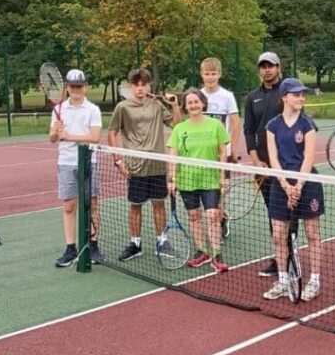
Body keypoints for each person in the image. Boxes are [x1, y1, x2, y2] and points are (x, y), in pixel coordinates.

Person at [108, 68, 182, 262]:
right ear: (131, 86)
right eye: (136, 84)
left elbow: (177, 125)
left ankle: (162, 241)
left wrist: (174, 105)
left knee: (159, 204)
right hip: (135, 167)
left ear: (149, 86)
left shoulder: (157, 105)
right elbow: (112, 132)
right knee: (135, 206)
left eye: (144, 84)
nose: (140, 88)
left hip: (157, 165)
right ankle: (135, 243)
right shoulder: (122, 107)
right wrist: (118, 160)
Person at [263, 77, 325, 301]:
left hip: (307, 184)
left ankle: (315, 281)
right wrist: (286, 187)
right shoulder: (272, 126)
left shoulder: (307, 124)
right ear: (285, 97)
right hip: (281, 186)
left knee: (312, 234)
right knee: (279, 234)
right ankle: (282, 279)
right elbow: (274, 159)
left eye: (303, 94)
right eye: (296, 94)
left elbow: (308, 158)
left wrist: (297, 186)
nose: (301, 97)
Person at [167, 88, 230, 273]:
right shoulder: (179, 129)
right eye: (190, 103)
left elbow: (222, 152)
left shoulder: (215, 125)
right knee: (194, 217)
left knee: (212, 216)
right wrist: (171, 179)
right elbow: (172, 155)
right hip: (187, 180)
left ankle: (217, 254)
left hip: (210, 180)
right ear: (185, 107)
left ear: (203, 103)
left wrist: (222, 176)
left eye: (196, 101)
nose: (194, 105)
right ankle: (201, 251)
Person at [49, 69, 104, 268]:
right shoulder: (59, 110)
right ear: (68, 88)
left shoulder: (93, 110)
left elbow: (95, 137)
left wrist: (68, 136)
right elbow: (52, 138)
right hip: (66, 162)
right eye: (73, 86)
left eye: (79, 86)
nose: (76, 89)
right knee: (69, 206)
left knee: (92, 205)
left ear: (85, 87)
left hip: (89, 162)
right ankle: (70, 248)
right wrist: (56, 133)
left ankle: (93, 246)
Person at [242, 51, 284, 277]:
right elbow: (248, 130)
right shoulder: (252, 97)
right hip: (263, 165)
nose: (267, 70)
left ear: (278, 68)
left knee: (290, 211)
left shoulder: (287, 92)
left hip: (287, 163)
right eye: (263, 66)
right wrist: (256, 161)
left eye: (271, 66)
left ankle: (291, 255)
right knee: (273, 211)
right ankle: (280, 258)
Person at [199, 57, 244, 239]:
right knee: (203, 189)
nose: (210, 77)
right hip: (201, 155)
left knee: (219, 190)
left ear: (219, 74)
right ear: (201, 75)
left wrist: (232, 149)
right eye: (207, 74)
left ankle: (221, 219)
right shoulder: (198, 96)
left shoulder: (227, 96)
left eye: (213, 74)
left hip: (220, 155)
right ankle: (213, 220)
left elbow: (235, 123)